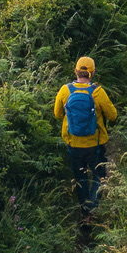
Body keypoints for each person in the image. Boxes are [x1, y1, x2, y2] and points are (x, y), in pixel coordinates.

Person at [52, 56, 116, 223]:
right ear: (92, 73)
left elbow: (57, 114)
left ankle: (84, 212)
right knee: (99, 175)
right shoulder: (97, 92)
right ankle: (91, 210)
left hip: (73, 144)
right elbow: (113, 115)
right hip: (95, 144)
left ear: (76, 71)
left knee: (80, 178)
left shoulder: (65, 90)